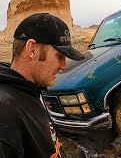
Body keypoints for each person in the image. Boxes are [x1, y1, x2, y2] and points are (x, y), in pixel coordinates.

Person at [0, 13, 85, 157]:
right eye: (59, 56)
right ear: (32, 49)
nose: (64, 66)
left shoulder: (31, 89)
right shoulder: (5, 112)